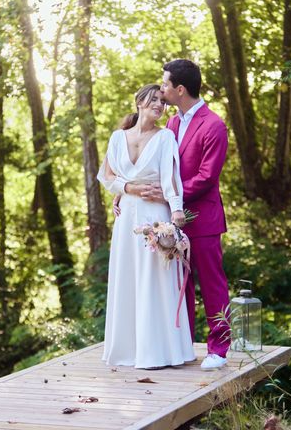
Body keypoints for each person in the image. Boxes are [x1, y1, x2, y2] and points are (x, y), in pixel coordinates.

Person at [114, 60, 231, 370]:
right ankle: (181, 346)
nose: (161, 89)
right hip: (167, 220)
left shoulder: (214, 125)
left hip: (202, 220)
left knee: (211, 284)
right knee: (175, 285)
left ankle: (218, 349)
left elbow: (207, 176)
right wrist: (126, 190)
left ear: (180, 89)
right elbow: (157, 167)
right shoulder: (172, 125)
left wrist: (166, 195)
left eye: (164, 85)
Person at [98, 83, 195, 369]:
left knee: (156, 278)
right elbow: (107, 176)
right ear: (139, 102)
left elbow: (171, 178)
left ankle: (160, 352)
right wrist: (129, 188)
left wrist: (177, 212)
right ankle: (128, 350)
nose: (159, 105)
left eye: (162, 102)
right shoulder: (118, 138)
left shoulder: (165, 138)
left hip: (155, 215)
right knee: (128, 277)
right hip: (127, 216)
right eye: (153, 100)